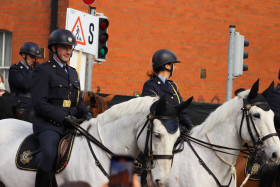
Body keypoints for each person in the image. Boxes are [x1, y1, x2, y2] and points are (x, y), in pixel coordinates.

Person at [31, 29, 93, 187]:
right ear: (54, 48)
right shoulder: (43, 70)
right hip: (49, 125)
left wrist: (86, 113)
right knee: (49, 154)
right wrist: (64, 118)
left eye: (70, 47)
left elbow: (76, 101)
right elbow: (39, 103)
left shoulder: (73, 73)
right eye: (64, 47)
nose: (68, 51)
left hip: (71, 123)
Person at [141, 49, 193, 130]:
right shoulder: (150, 85)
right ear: (167, 66)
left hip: (177, 128)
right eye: (174, 65)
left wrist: (190, 127)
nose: (175, 68)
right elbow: (150, 110)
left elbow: (181, 111)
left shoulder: (173, 86)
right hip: (160, 131)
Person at [8, 42, 41, 122]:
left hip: (34, 107)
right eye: (32, 56)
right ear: (23, 55)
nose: (34, 60)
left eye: (35, 57)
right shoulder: (15, 69)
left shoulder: (34, 71)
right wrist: (35, 71)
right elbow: (25, 84)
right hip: (21, 108)